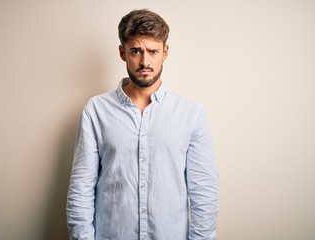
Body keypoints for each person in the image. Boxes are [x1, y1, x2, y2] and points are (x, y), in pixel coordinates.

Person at [67, 9, 218, 240]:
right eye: (136, 51)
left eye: (153, 51)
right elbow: (81, 190)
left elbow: (204, 194)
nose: (145, 61)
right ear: (122, 52)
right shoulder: (96, 110)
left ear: (165, 52)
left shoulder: (191, 114)